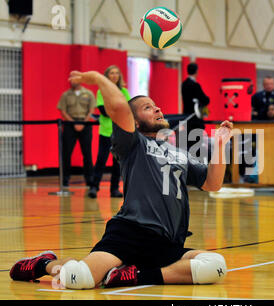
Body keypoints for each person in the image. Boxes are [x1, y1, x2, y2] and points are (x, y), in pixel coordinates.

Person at [10, 70, 232, 289]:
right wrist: (97, 78)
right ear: (134, 122)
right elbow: (118, 108)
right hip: (129, 233)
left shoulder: (179, 153)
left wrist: (221, 146)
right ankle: (45, 263)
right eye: (148, 107)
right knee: (78, 278)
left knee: (216, 266)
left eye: (155, 105)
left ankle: (134, 275)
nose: (157, 108)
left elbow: (212, 183)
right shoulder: (132, 144)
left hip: (167, 242)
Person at [88, 65, 130, 199]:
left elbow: (129, 109)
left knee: (117, 162)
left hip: (120, 131)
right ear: (107, 76)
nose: (114, 75)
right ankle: (94, 187)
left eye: (116, 73)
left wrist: (116, 109)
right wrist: (118, 109)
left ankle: (115, 189)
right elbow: (104, 111)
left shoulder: (124, 91)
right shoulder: (102, 91)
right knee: (101, 160)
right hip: (106, 131)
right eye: (111, 73)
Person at [57, 78, 96, 187]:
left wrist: (83, 122)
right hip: (70, 124)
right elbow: (63, 111)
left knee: (87, 153)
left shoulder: (88, 94)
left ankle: (89, 179)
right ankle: (65, 179)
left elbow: (91, 110)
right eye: (71, 79)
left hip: (86, 123)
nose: (73, 81)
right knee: (66, 153)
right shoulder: (65, 95)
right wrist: (73, 122)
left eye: (75, 78)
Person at [181, 63, 210, 153]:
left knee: (188, 141)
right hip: (195, 118)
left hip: (186, 117)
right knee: (197, 142)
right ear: (196, 71)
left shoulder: (183, 84)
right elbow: (205, 99)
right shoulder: (195, 85)